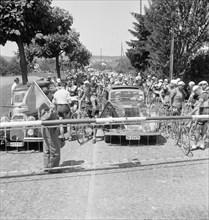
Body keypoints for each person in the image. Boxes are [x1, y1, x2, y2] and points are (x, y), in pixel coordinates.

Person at [38, 103, 63, 173]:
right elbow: (45, 117)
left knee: (47, 149)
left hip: (47, 129)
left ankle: (47, 166)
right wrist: (52, 110)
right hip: (50, 129)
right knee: (54, 149)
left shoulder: (43, 106)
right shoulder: (47, 108)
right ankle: (54, 168)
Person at [189, 85, 209, 150]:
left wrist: (190, 113)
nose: (195, 93)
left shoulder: (203, 95)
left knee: (197, 130)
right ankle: (202, 144)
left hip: (202, 114)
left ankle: (195, 145)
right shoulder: (206, 94)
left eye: (195, 92)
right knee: (204, 130)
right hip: (206, 114)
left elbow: (198, 105)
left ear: (198, 89)